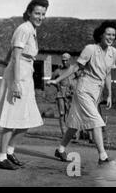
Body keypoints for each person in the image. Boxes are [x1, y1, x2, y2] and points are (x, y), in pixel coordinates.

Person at [0, 0, 49, 170]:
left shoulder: (31, 30)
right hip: (19, 76)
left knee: (27, 120)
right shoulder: (24, 29)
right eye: (37, 13)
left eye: (43, 14)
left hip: (26, 73)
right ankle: (1, 158)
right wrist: (15, 82)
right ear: (29, 12)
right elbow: (16, 56)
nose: (40, 17)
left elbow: (13, 53)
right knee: (12, 119)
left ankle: (9, 151)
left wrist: (6, 61)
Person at [48, 21, 116, 165]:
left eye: (114, 35)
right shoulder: (90, 49)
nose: (111, 37)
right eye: (108, 34)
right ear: (101, 35)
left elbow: (108, 74)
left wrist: (109, 94)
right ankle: (102, 157)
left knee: (75, 123)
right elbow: (75, 67)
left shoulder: (113, 52)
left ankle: (60, 149)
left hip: (96, 93)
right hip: (83, 90)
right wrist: (57, 80)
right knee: (96, 121)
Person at [51, 53, 76, 137]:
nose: (64, 62)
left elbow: (79, 78)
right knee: (62, 113)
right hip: (60, 94)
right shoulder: (58, 71)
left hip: (71, 94)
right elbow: (52, 80)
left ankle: (72, 132)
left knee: (71, 113)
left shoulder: (74, 69)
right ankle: (64, 132)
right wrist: (57, 85)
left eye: (66, 60)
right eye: (63, 60)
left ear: (70, 60)